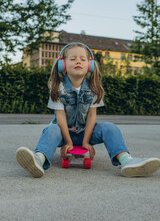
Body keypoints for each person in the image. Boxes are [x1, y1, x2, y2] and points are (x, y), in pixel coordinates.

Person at [16, 42, 160, 178]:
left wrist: (85, 142)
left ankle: (127, 160)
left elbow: (92, 117)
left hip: (86, 132)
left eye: (83, 59)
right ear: (62, 65)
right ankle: (38, 159)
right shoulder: (57, 87)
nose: (78, 62)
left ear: (89, 65)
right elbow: (60, 118)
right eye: (73, 59)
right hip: (63, 132)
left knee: (110, 128)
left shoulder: (93, 88)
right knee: (51, 129)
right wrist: (68, 142)